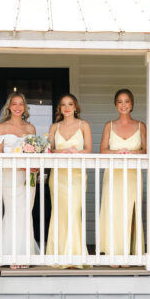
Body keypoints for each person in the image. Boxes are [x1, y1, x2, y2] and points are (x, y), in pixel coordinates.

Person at [98, 88, 146, 259]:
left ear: (132, 104)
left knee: (130, 212)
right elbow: (103, 150)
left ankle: (127, 253)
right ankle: (113, 252)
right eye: (120, 101)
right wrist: (117, 152)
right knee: (113, 212)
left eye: (127, 101)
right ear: (115, 105)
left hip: (132, 175)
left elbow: (146, 150)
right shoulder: (109, 126)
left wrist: (133, 153)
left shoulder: (140, 126)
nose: (123, 105)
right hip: (113, 175)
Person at [0, 92, 39, 267]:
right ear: (9, 106)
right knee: (13, 211)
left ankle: (25, 254)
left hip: (29, 176)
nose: (18, 107)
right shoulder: (2, 127)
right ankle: (10, 254)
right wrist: (18, 164)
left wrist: (35, 166)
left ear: (25, 107)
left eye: (21, 104)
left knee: (26, 211)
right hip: (10, 176)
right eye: (14, 104)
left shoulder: (31, 128)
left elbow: (36, 153)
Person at [46, 94, 92, 260]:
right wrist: (63, 151)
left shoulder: (83, 125)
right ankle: (58, 255)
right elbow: (49, 150)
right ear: (59, 108)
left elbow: (88, 150)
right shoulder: (54, 127)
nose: (66, 108)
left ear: (75, 107)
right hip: (58, 176)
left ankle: (74, 256)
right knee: (59, 213)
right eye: (63, 104)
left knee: (73, 212)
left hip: (76, 175)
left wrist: (76, 153)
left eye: (70, 104)